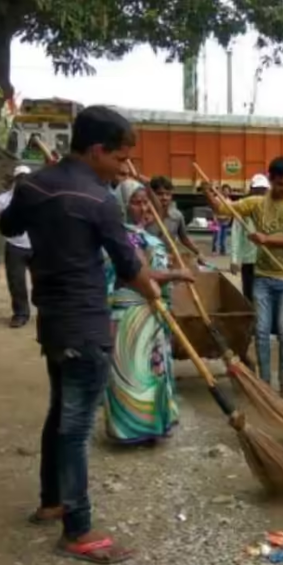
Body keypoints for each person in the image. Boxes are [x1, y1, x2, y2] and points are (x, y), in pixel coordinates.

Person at [0, 105, 162, 565]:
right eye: (120, 158)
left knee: (60, 412)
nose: (123, 168)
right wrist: (155, 291)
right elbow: (130, 269)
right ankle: (78, 528)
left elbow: (9, 226)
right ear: (96, 150)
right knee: (75, 426)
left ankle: (52, 500)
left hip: (51, 320)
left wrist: (37, 198)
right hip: (85, 324)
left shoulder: (35, 184)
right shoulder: (98, 200)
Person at [203, 157, 283, 399]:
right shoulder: (256, 203)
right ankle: (264, 384)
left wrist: (267, 239)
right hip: (262, 278)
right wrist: (209, 192)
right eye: (280, 184)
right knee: (260, 332)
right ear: (271, 180)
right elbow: (223, 209)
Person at [105, 187, 194, 445]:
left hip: (149, 310)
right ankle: (133, 429)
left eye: (147, 203)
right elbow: (140, 274)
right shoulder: (127, 237)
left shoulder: (142, 234)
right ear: (123, 205)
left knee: (151, 370)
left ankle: (150, 428)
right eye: (136, 203)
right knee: (135, 374)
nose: (144, 209)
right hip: (133, 313)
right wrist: (178, 274)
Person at [0, 165, 35, 328]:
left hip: (37, 245)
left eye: (26, 177)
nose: (23, 180)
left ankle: (47, 313)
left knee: (44, 282)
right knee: (17, 282)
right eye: (20, 177)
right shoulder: (3, 199)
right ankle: (21, 313)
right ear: (15, 179)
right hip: (15, 245)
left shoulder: (40, 197)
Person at [148, 176, 206, 267]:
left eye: (168, 194)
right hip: (148, 261)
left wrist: (198, 252)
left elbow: (184, 239)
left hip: (167, 262)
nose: (164, 198)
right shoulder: (144, 216)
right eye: (160, 194)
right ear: (151, 195)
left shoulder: (176, 216)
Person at [230, 174, 268, 303]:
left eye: (263, 191)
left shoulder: (271, 209)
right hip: (249, 261)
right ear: (251, 190)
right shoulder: (242, 210)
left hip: (267, 261)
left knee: (265, 296)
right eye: (257, 190)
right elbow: (236, 235)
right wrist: (234, 259)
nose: (260, 194)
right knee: (249, 295)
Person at [212, 184, 233, 255]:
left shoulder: (230, 201)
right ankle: (214, 250)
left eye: (228, 191)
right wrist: (214, 218)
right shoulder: (217, 199)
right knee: (216, 236)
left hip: (225, 221)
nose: (226, 192)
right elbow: (214, 209)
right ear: (222, 191)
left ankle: (222, 250)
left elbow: (231, 212)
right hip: (217, 220)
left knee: (223, 237)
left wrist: (229, 220)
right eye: (225, 191)